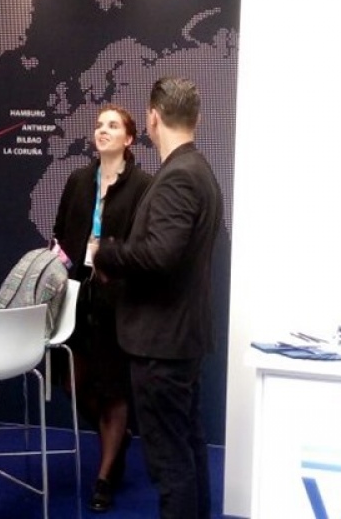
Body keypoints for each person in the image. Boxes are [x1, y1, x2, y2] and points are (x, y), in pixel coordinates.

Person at [93, 76, 223, 519]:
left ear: (151, 119)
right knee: (187, 450)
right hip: (179, 340)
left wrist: (107, 253)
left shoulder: (179, 177)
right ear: (196, 118)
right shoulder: (198, 170)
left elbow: (160, 254)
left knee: (171, 463)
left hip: (161, 345)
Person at [52, 103, 152, 513]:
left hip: (118, 301)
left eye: (113, 125)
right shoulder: (78, 181)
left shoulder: (143, 186)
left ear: (129, 138)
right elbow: (60, 233)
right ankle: (117, 436)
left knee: (114, 389)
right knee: (72, 384)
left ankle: (105, 477)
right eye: (99, 125)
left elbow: (144, 245)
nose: (103, 130)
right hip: (77, 298)